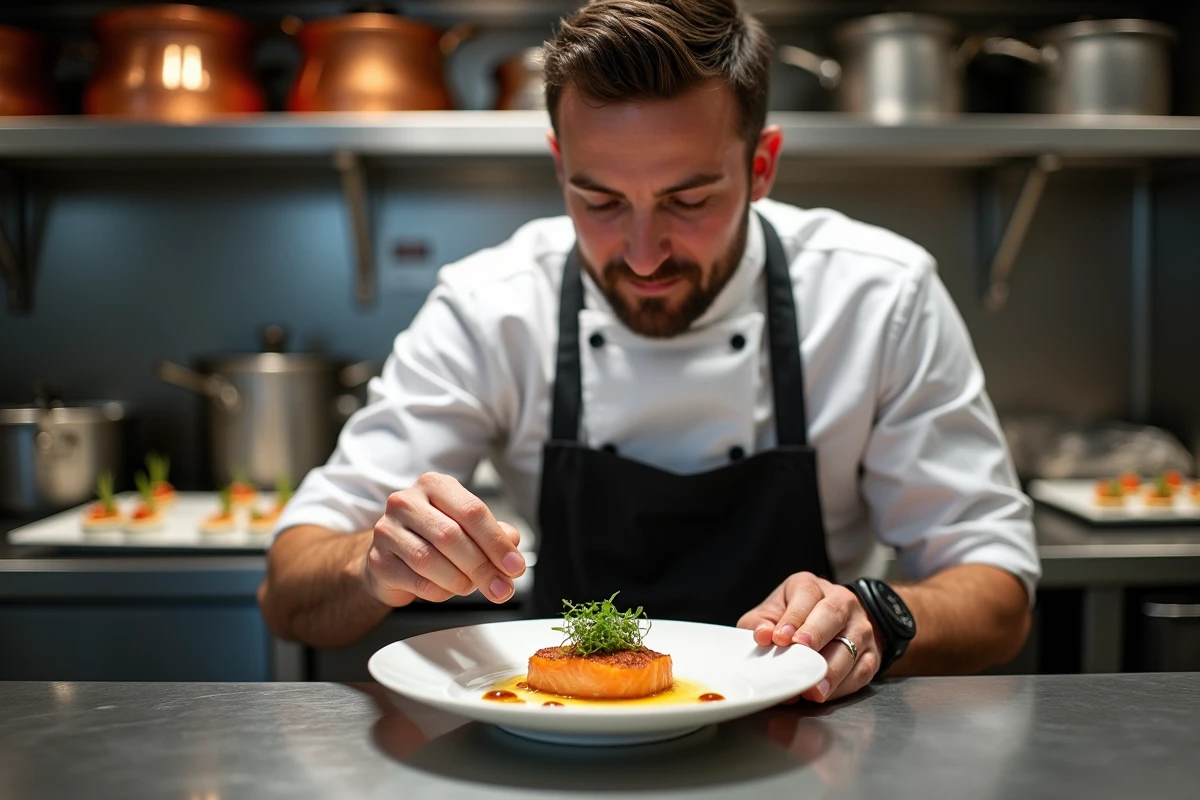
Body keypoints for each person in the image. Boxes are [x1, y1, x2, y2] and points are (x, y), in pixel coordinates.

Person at [258, 0, 1039, 704]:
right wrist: (374, 566)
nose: (640, 254)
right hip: (558, 739)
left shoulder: (878, 296)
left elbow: (999, 597)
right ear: (559, 164)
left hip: (811, 744)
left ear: (761, 166)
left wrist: (876, 617)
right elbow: (288, 592)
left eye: (688, 200)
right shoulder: (490, 305)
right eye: (598, 200)